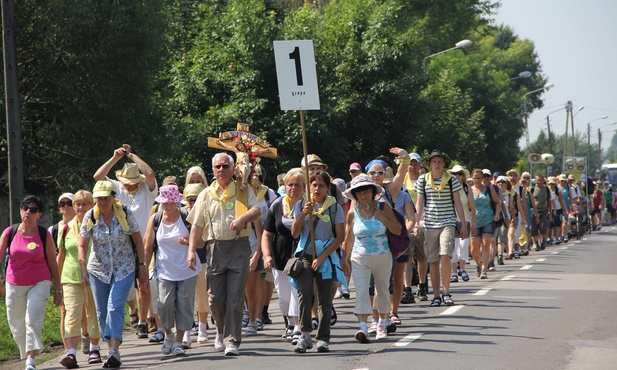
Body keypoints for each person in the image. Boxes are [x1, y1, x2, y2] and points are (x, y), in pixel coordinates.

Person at [186, 153, 261, 356]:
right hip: (214, 249)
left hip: (239, 246)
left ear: (233, 167)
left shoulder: (242, 190)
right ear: (212, 170)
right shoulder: (206, 194)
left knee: (236, 296)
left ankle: (232, 340)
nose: (221, 170)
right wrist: (191, 251)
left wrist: (243, 218)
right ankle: (220, 331)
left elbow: (257, 211)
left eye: (225, 166)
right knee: (215, 298)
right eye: (217, 167)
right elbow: (196, 225)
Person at [78, 180, 149, 368]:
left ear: (113, 197)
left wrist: (142, 265)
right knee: (102, 312)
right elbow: (82, 244)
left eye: (105, 198)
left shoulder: (124, 213)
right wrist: (83, 267)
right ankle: (111, 350)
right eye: (99, 199)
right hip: (98, 270)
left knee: (114, 305)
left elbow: (138, 240)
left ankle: (115, 349)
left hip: (123, 268)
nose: (102, 202)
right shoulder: (89, 216)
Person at [93, 144, 158, 338]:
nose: (129, 185)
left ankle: (144, 322)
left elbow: (150, 173)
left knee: (144, 283)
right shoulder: (117, 188)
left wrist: (131, 156)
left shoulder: (147, 190)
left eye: (133, 182)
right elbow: (97, 177)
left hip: (144, 242)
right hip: (121, 242)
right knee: (127, 287)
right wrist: (115, 159)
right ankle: (136, 315)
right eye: (127, 182)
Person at [0, 195, 63, 370]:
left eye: (33, 209)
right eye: (25, 207)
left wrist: (58, 289)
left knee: (32, 319)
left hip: (40, 282)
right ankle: (28, 350)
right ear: (20, 210)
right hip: (14, 283)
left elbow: (53, 263)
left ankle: (31, 359)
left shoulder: (44, 235)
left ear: (39, 214)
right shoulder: (9, 232)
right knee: (16, 323)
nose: (28, 211)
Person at [290, 171, 346, 353]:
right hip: (306, 255)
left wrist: (322, 257)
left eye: (321, 185)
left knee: (324, 298)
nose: (317, 188)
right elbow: (294, 232)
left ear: (327, 188)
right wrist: (302, 215)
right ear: (309, 187)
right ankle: (305, 335)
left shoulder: (334, 207)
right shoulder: (302, 205)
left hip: (326, 256)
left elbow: (340, 236)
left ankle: (322, 338)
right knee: (304, 293)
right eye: (314, 185)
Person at [143, 185, 200, 357]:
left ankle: (179, 342)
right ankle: (168, 334)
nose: (167, 206)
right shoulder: (155, 219)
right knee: (164, 305)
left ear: (177, 201)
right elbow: (147, 247)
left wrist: (190, 240)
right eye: (164, 202)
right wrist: (143, 270)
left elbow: (202, 242)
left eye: (170, 203)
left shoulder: (187, 216)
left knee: (184, 306)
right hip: (164, 270)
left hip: (187, 270)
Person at [343, 174, 401, 342]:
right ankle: (363, 327)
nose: (363, 196)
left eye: (366, 191)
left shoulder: (384, 207)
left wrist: (382, 218)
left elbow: (397, 230)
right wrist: (344, 259)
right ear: (354, 196)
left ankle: (382, 322)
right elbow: (348, 238)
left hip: (383, 255)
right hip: (360, 257)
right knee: (361, 291)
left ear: (372, 191)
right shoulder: (352, 213)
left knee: (382, 289)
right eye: (359, 193)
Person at [414, 150, 468, 307]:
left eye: (439, 161)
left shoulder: (451, 180)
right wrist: (417, 223)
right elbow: (419, 203)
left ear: (444, 164)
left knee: (445, 255)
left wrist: (463, 224)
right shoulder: (423, 180)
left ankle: (446, 293)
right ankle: (436, 295)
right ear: (429, 164)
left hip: (448, 222)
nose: (437, 164)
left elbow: (458, 203)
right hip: (430, 223)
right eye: (434, 161)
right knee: (433, 261)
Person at [57, 190, 102, 368]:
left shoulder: (97, 224)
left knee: (94, 314)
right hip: (70, 277)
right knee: (72, 315)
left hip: (95, 276)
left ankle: (94, 348)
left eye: (84, 204)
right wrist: (57, 282)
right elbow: (61, 255)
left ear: (92, 205)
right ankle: (71, 353)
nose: (80, 207)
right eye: (77, 204)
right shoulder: (65, 227)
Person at [262, 168, 305, 342]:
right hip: (279, 257)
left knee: (297, 292)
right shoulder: (277, 205)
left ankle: (297, 326)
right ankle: (288, 323)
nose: (293, 188)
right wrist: (266, 256)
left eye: (297, 185)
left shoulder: (308, 205)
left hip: (302, 256)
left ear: (304, 187)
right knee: (283, 295)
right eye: (290, 184)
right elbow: (266, 234)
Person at [182, 183, 209, 344]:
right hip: (182, 260)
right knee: (186, 297)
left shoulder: (206, 213)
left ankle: (203, 328)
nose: (192, 203)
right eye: (190, 200)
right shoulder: (180, 214)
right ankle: (185, 331)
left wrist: (190, 241)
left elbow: (205, 239)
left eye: (196, 200)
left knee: (202, 296)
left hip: (203, 258)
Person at [402, 153, 429, 302]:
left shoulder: (424, 181)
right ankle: (407, 289)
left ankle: (422, 285)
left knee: (422, 256)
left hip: (423, 221)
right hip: (406, 222)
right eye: (409, 164)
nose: (412, 167)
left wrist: (423, 216)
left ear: (420, 165)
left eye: (415, 164)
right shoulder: (402, 181)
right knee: (407, 256)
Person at [469, 169, 501, 279]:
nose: (477, 180)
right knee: (474, 248)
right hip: (474, 220)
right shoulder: (469, 190)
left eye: (479, 177)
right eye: (475, 177)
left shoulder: (488, 188)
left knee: (486, 244)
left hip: (488, 219)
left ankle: (484, 270)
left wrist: (497, 214)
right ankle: (478, 264)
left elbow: (497, 202)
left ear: (482, 178)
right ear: (472, 178)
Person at [448, 165, 476, 283]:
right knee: (453, 247)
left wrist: (474, 224)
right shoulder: (447, 187)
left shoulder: (466, 188)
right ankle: (454, 272)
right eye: (454, 174)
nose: (457, 176)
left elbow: (472, 208)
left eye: (459, 174)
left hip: (465, 220)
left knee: (464, 245)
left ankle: (463, 268)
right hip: (451, 219)